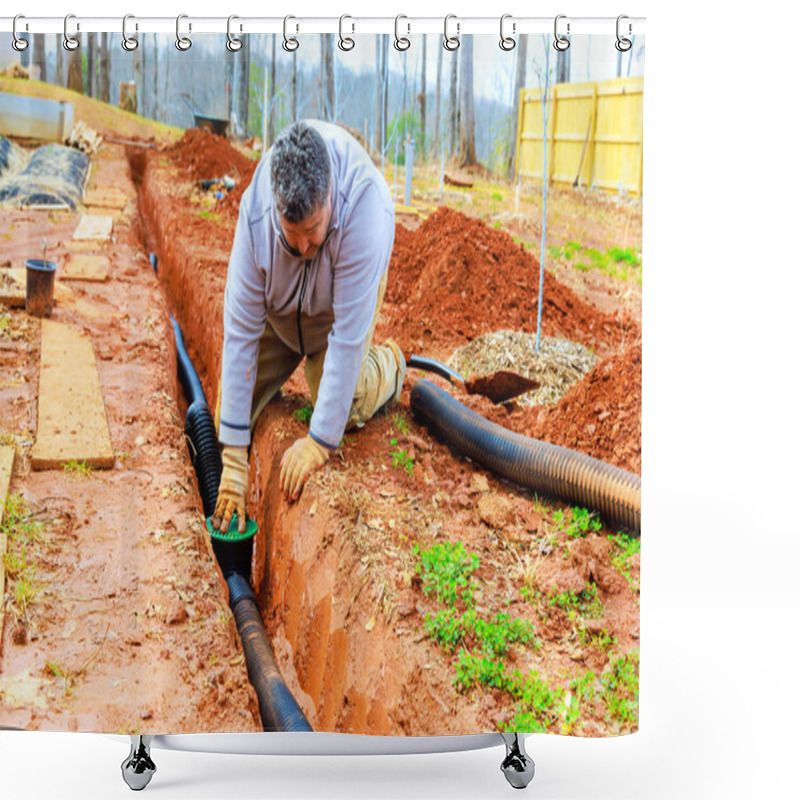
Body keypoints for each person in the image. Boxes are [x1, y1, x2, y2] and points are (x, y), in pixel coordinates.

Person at [211, 120, 404, 534]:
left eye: (313, 231)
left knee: (341, 403)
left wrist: (318, 441)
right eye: (291, 233)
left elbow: (349, 337)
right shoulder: (257, 210)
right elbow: (242, 330)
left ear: (330, 195)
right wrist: (232, 469)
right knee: (229, 406)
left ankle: (390, 366)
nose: (303, 247)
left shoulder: (364, 212)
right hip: (280, 314)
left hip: (335, 313)